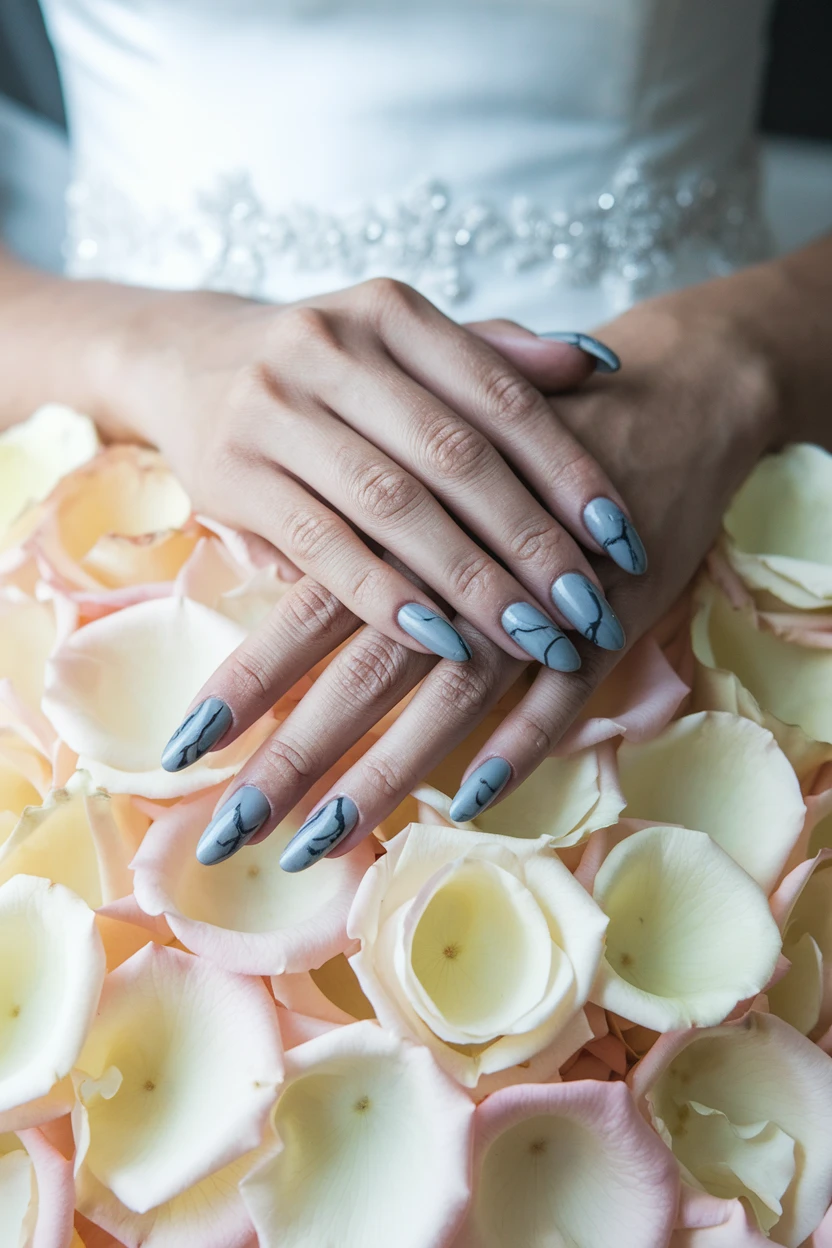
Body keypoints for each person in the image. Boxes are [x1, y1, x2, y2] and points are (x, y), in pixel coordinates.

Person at [0, 0, 830, 870]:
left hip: (690, 490)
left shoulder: (708, 397)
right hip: (139, 515)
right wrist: (151, 356)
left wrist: (729, 364)